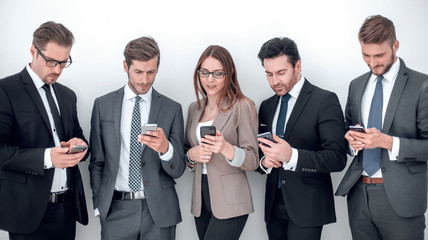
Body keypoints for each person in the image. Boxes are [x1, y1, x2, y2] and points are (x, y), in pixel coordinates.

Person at [336, 15, 428, 240]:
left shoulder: (422, 86)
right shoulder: (356, 85)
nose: (372, 62)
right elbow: (348, 131)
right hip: (359, 195)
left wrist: (387, 142)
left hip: (401, 200)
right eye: (366, 55)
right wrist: (351, 142)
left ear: (395, 46)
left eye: (379, 55)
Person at [89, 36, 185, 240]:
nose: (144, 80)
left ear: (158, 68)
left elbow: (179, 169)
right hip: (115, 210)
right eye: (138, 71)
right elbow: (97, 162)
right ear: (125, 66)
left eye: (151, 72)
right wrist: (99, 203)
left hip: (159, 212)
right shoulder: (102, 105)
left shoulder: (172, 109)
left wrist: (166, 149)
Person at [0, 21, 88, 240]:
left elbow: (82, 140)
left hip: (66, 211)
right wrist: (47, 157)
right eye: (51, 61)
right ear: (33, 51)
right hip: (27, 214)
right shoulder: (5, 90)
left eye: (64, 62)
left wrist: (81, 146)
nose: (57, 69)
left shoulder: (68, 96)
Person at [257, 37, 347, 240]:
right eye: (268, 74)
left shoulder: (325, 100)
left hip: (308, 208)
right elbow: (260, 151)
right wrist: (264, 162)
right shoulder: (267, 106)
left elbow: (337, 158)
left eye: (281, 73)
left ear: (297, 66)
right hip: (273, 206)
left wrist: (293, 156)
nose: (274, 81)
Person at [184, 45, 259, 240]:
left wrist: (226, 148)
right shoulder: (194, 108)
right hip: (201, 199)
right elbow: (187, 151)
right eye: (205, 72)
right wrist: (192, 155)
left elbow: (253, 160)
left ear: (230, 73)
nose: (210, 79)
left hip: (232, 200)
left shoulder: (243, 106)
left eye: (218, 73)